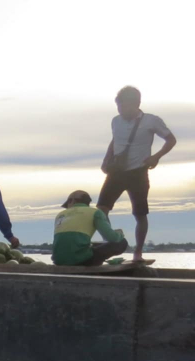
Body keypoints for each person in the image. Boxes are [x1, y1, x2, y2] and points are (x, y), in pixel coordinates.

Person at [98, 86, 176, 262]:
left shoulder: (151, 120)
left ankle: (138, 253)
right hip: (117, 172)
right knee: (101, 211)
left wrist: (156, 157)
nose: (121, 111)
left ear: (136, 104)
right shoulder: (115, 121)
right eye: (118, 107)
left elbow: (171, 139)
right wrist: (106, 159)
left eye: (124, 106)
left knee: (139, 214)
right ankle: (109, 245)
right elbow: (115, 140)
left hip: (138, 173)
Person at [53, 190, 128, 266]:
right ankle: (95, 264)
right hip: (81, 260)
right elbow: (112, 238)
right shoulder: (95, 212)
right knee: (122, 242)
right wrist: (119, 234)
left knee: (94, 246)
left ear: (71, 201)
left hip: (58, 261)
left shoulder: (60, 215)